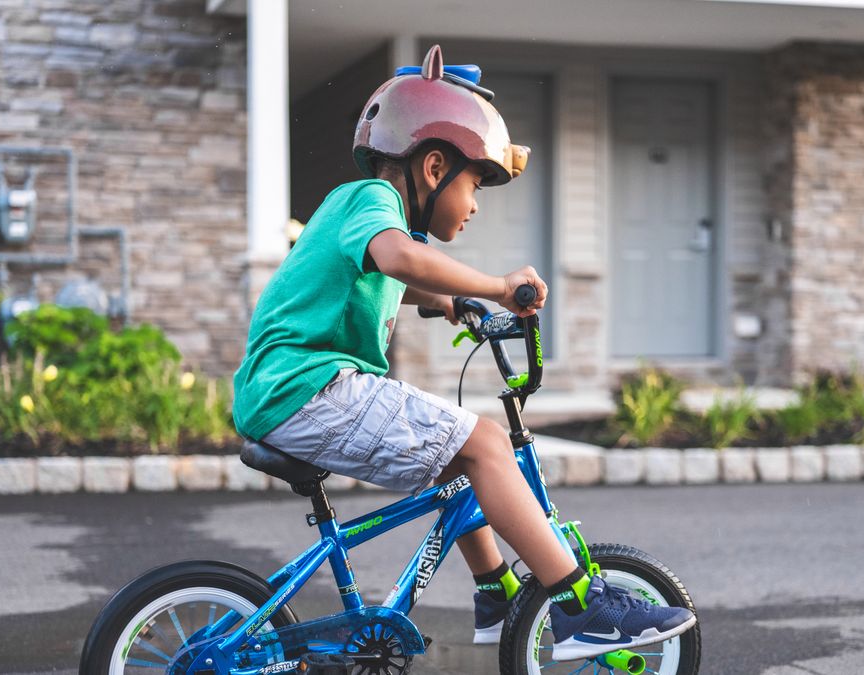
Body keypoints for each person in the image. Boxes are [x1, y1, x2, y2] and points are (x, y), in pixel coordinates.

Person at [232, 45, 695, 662]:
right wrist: (497, 285)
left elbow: (390, 272)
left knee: (460, 456)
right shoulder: (372, 202)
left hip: (294, 391)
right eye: (475, 183)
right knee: (482, 443)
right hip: (306, 390)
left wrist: (450, 303)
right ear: (432, 167)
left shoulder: (368, 216)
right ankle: (583, 608)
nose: (474, 204)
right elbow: (398, 257)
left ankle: (496, 591)